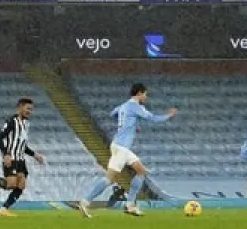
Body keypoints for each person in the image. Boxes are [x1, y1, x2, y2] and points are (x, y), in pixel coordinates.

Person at [76, 82, 177, 218]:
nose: (146, 97)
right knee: (110, 179)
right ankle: (85, 201)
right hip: (122, 147)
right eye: (145, 94)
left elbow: (113, 113)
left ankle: (130, 205)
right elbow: (153, 118)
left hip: (119, 146)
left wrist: (130, 124)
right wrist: (169, 115)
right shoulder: (136, 106)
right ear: (140, 93)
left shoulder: (124, 106)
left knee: (141, 171)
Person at [0, 99, 45, 217]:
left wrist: (34, 154)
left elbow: (22, 145)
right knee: (10, 185)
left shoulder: (27, 124)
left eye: (31, 109)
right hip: (11, 158)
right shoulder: (12, 121)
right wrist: (5, 154)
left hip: (21, 160)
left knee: (21, 185)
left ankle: (3, 209)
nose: (30, 111)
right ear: (20, 107)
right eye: (28, 108)